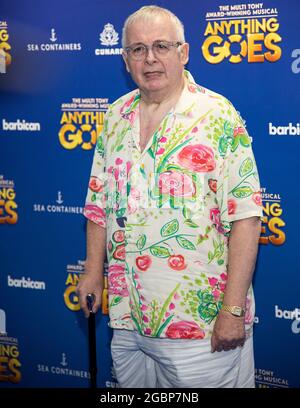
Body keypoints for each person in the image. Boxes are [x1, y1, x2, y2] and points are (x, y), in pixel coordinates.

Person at [77, 5, 262, 388]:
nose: (150, 59)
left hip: (199, 324)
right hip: (127, 318)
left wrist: (232, 310)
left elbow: (246, 217)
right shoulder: (114, 117)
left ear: (184, 52)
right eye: (137, 49)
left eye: (161, 46)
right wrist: (94, 270)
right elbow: (98, 204)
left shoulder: (218, 115)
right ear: (125, 59)